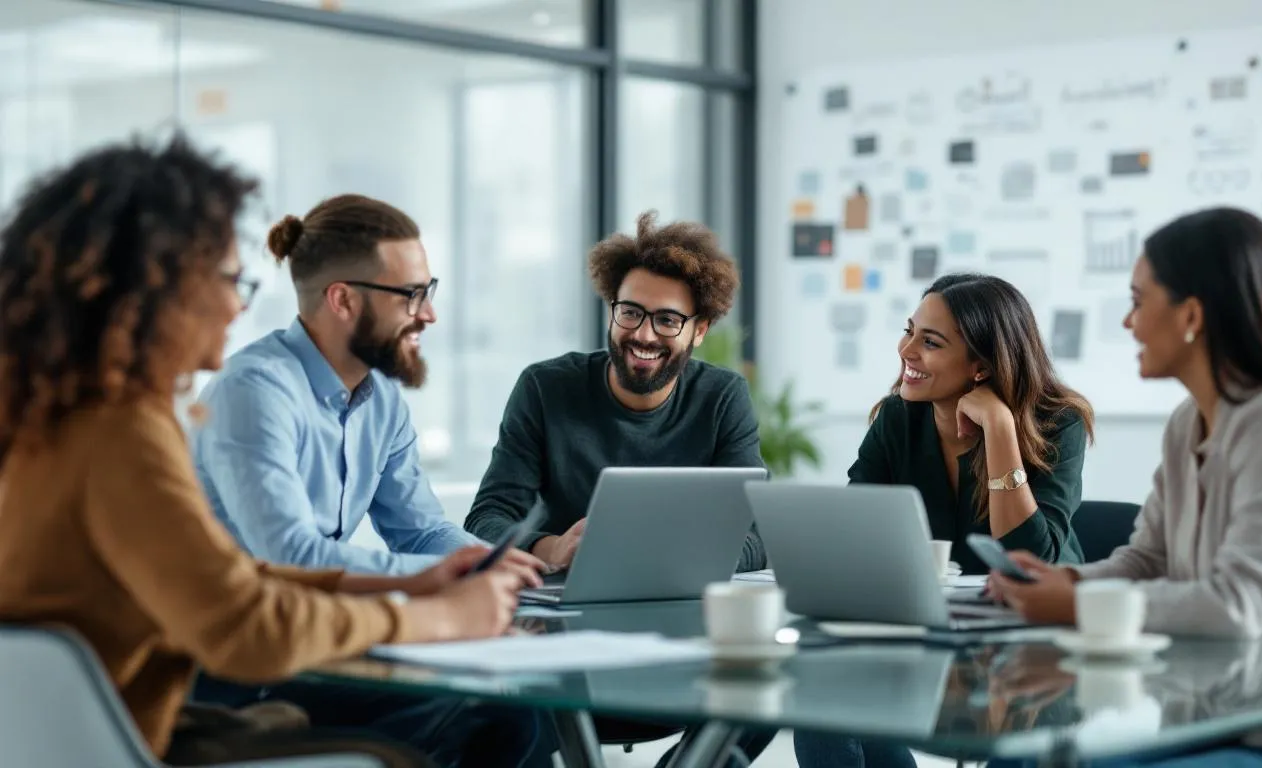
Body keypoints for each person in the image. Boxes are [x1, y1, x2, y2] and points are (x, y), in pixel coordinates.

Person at [0, 135, 547, 767]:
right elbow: (243, 624)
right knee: (479, 724)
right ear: (158, 289)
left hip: (91, 735)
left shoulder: (65, 423)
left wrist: (413, 583)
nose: (239, 305)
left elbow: (225, 579)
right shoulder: (124, 433)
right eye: (232, 280)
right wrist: (439, 619)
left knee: (491, 716)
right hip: (126, 742)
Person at [989, 207, 1262, 768]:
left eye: (1138, 301)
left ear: (1191, 315)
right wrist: (1068, 580)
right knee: (1019, 758)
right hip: (1208, 716)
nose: (1128, 322)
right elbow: (1148, 560)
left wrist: (1078, 603)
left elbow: (1241, 603)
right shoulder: (1188, 423)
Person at [463, 210, 774, 764]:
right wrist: (551, 547)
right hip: (559, 647)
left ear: (700, 329)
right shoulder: (545, 387)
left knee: (770, 686)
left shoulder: (722, 398)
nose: (643, 334)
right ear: (612, 309)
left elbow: (759, 535)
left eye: (667, 320)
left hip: (683, 647)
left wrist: (682, 558)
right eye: (630, 312)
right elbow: (486, 519)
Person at [794, 272, 1095, 768]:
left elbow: (1027, 558)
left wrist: (999, 429)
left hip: (1039, 647)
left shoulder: (1057, 422)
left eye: (930, 342)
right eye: (909, 331)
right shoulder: (898, 419)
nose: (906, 351)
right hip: (931, 634)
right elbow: (856, 532)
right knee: (818, 695)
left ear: (982, 366)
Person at [192, 193, 475, 574]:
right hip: (232, 609)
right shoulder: (251, 392)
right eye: (412, 295)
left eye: (429, 292)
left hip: (309, 607)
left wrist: (498, 563)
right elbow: (294, 556)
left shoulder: (381, 397)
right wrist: (442, 573)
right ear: (343, 301)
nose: (429, 314)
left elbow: (422, 533)